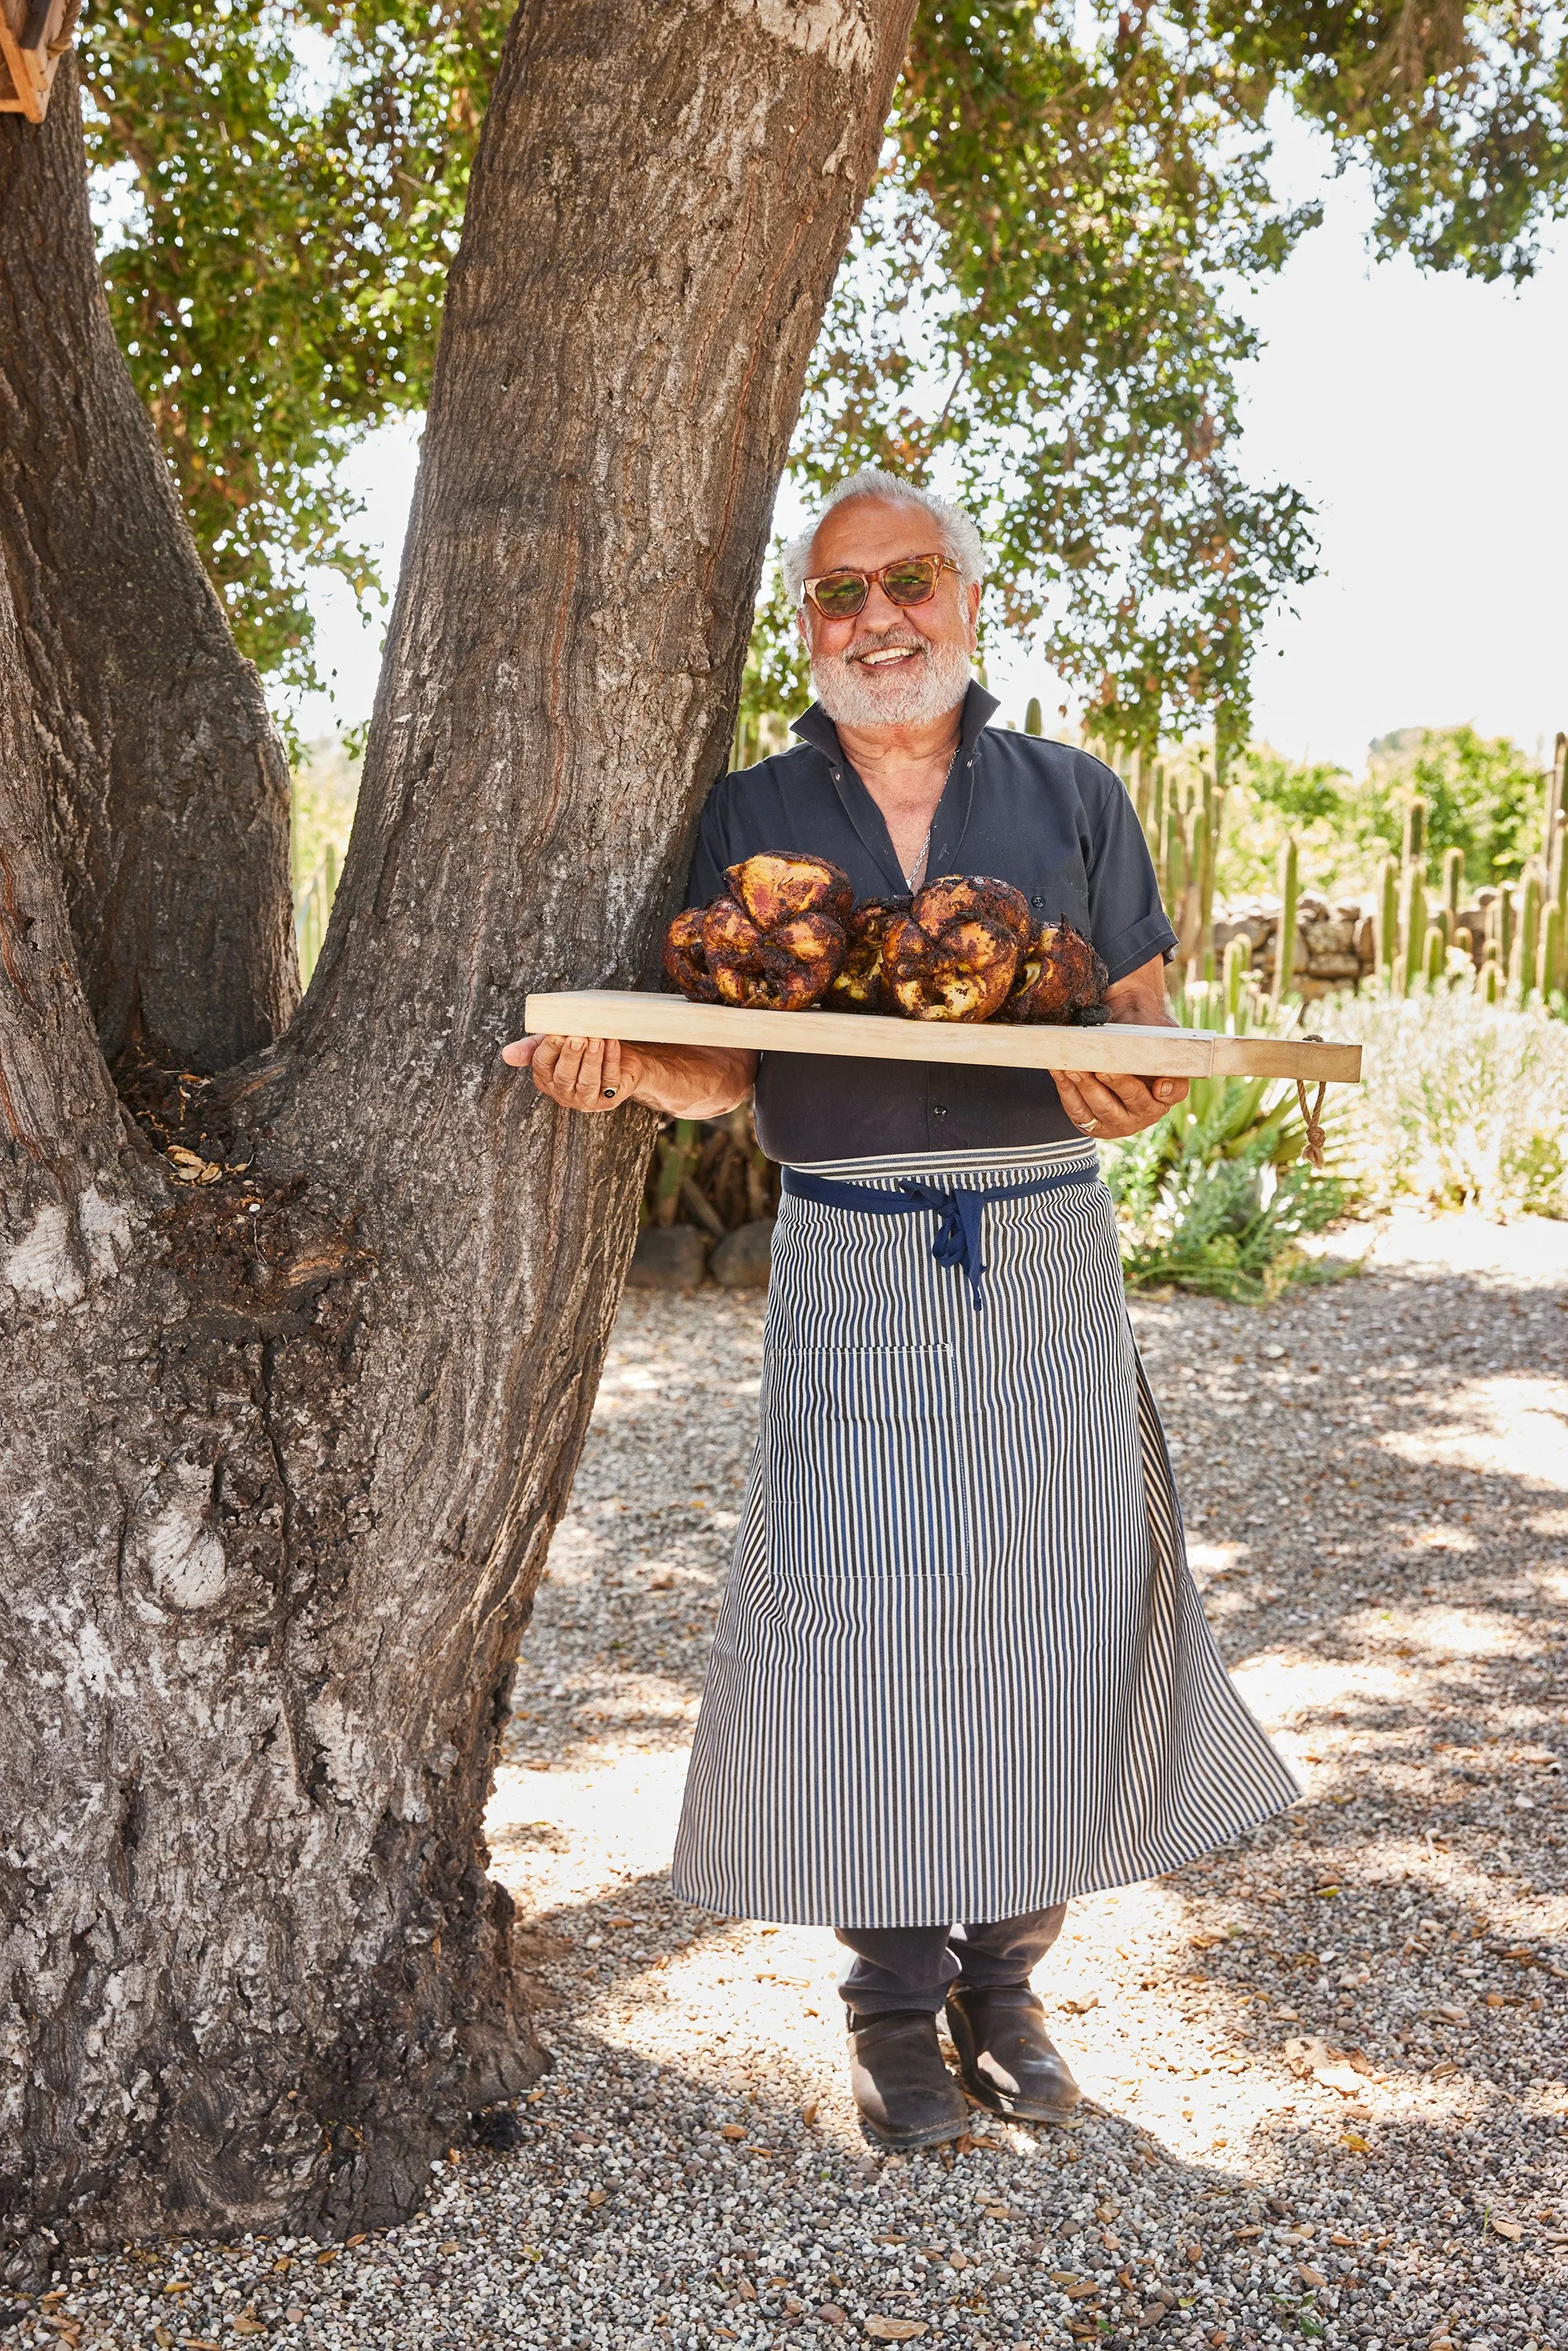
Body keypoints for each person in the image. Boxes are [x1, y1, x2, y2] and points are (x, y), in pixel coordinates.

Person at [504, 469, 1296, 2149]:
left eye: (909, 580)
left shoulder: (1073, 796)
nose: (877, 618)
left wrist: (1131, 1091)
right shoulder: (749, 811)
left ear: (969, 598)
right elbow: (720, 1064)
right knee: (872, 1619)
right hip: (856, 1247)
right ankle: (888, 2003)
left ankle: (1007, 1987)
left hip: (1040, 1257)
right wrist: (616, 1071)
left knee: (1052, 1608)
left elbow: (1142, 1021)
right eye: (840, 594)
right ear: (809, 628)